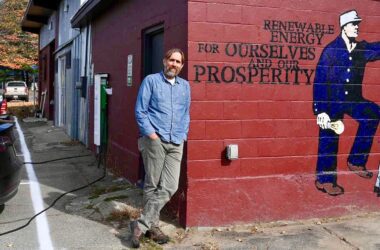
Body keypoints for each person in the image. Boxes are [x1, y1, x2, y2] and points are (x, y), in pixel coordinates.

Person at [313, 10, 380, 196]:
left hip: (352, 99)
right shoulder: (331, 51)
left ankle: (356, 160)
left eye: (358, 24)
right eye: (354, 25)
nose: (357, 28)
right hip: (332, 100)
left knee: (373, 114)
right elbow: (320, 79)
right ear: (344, 27)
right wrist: (320, 111)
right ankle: (324, 180)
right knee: (329, 135)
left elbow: (377, 49)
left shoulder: (361, 49)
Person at [131, 48, 191, 248]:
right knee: (152, 184)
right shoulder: (151, 81)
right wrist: (152, 135)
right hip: (155, 139)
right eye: (171, 60)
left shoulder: (185, 86)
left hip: (176, 142)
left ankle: (140, 224)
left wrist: (183, 134)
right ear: (164, 61)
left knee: (170, 186)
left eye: (178, 62)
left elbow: (186, 113)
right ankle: (152, 228)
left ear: (182, 66)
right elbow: (140, 110)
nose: (174, 64)